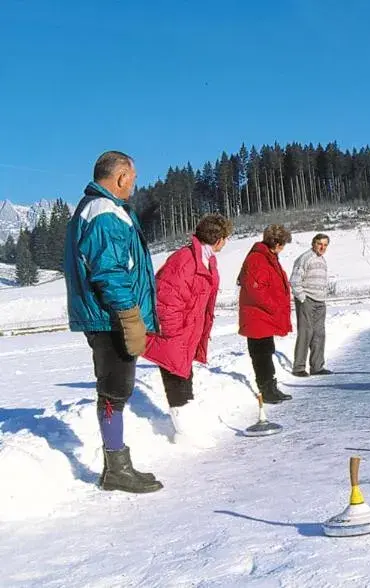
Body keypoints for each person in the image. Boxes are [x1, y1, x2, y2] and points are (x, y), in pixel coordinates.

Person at [63, 150, 162, 493]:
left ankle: (117, 464)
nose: (134, 186)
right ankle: (115, 468)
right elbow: (109, 270)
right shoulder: (105, 212)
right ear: (121, 177)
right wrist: (130, 315)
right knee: (113, 391)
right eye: (132, 179)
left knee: (117, 389)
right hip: (110, 319)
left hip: (109, 316)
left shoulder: (103, 209)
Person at [143, 214, 233, 448]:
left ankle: (191, 428)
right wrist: (175, 332)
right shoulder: (185, 260)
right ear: (219, 238)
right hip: (174, 335)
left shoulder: (205, 259)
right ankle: (185, 433)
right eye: (226, 238)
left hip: (186, 334)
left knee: (185, 378)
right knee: (176, 381)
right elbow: (164, 300)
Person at [238, 224, 294, 404]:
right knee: (260, 353)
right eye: (283, 243)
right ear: (276, 243)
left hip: (264, 316)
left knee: (267, 350)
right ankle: (266, 389)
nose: (283, 247)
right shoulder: (257, 259)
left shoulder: (269, 257)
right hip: (257, 315)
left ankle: (271, 387)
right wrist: (274, 306)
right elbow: (256, 291)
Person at [290, 233, 332, 377]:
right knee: (305, 333)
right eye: (320, 244)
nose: (322, 247)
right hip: (307, 300)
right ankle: (299, 368)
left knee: (319, 334)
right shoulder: (305, 258)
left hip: (320, 301)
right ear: (313, 243)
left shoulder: (323, 260)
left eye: (325, 245)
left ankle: (317, 366)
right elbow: (294, 281)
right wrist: (302, 298)